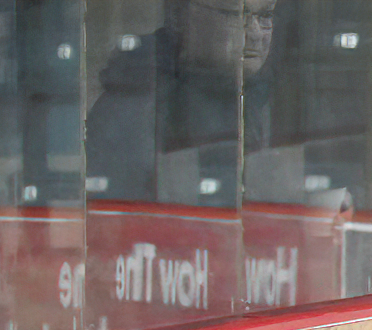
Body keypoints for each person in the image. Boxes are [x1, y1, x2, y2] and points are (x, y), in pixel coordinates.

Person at [86, 0, 279, 201]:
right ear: (184, 17)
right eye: (237, 15)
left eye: (265, 16)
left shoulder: (268, 99)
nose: (255, 34)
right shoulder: (135, 103)